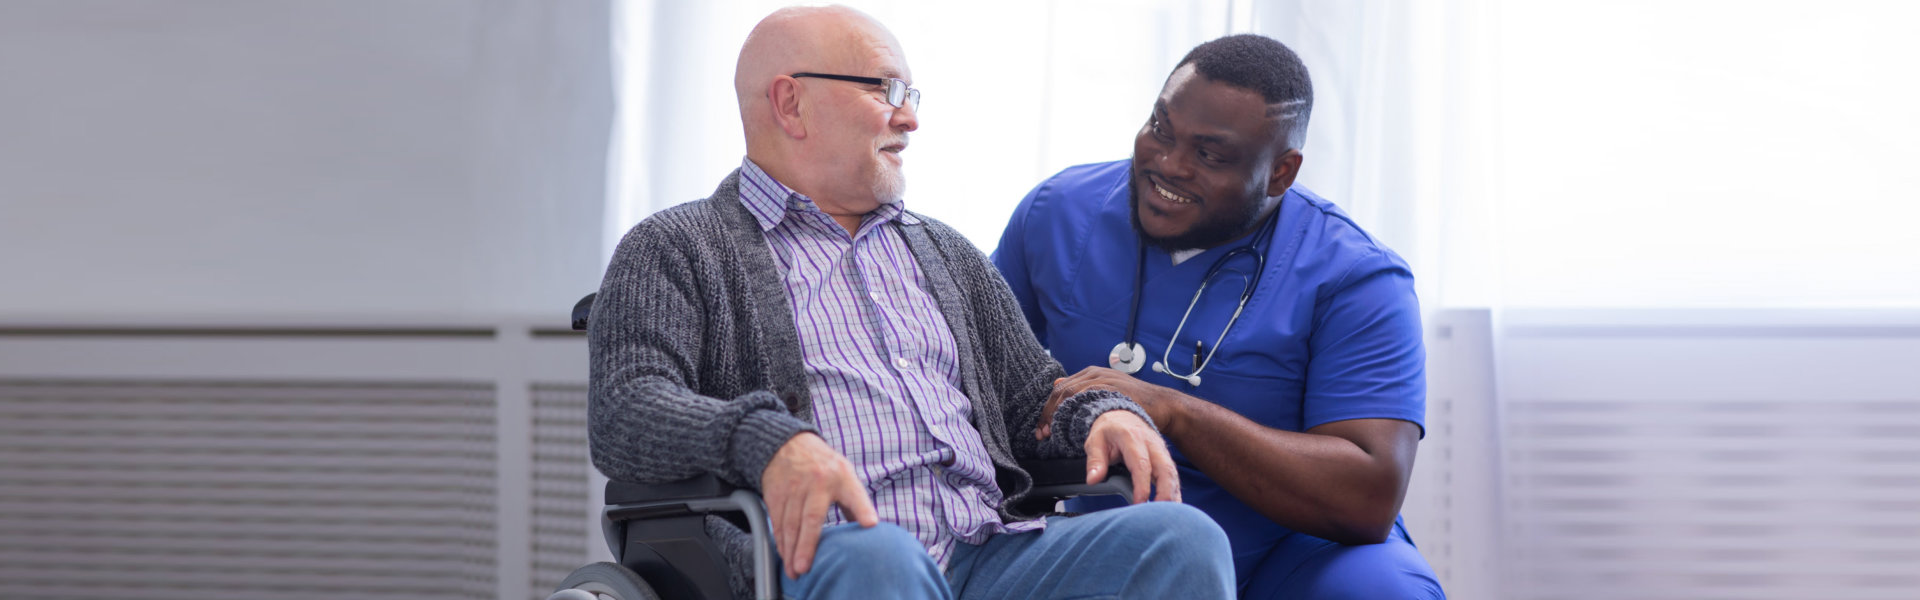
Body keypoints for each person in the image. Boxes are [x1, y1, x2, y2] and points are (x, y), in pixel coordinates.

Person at [587, 6, 1234, 600]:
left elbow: (1031, 399)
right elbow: (626, 408)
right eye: (885, 90)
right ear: (791, 103)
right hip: (832, 557)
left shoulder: (945, 253)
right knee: (882, 561)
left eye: (911, 95)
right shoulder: (676, 247)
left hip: (991, 550)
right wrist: (768, 441)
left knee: (1183, 540)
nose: (910, 118)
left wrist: (1097, 417)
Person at [992, 34, 1444, 599]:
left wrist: (1174, 411)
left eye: (1210, 155)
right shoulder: (1057, 213)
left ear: (1281, 173)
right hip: (1104, 532)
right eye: (1161, 128)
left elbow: (1367, 496)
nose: (1168, 165)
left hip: (1292, 553)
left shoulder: (1357, 277)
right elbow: (968, 382)